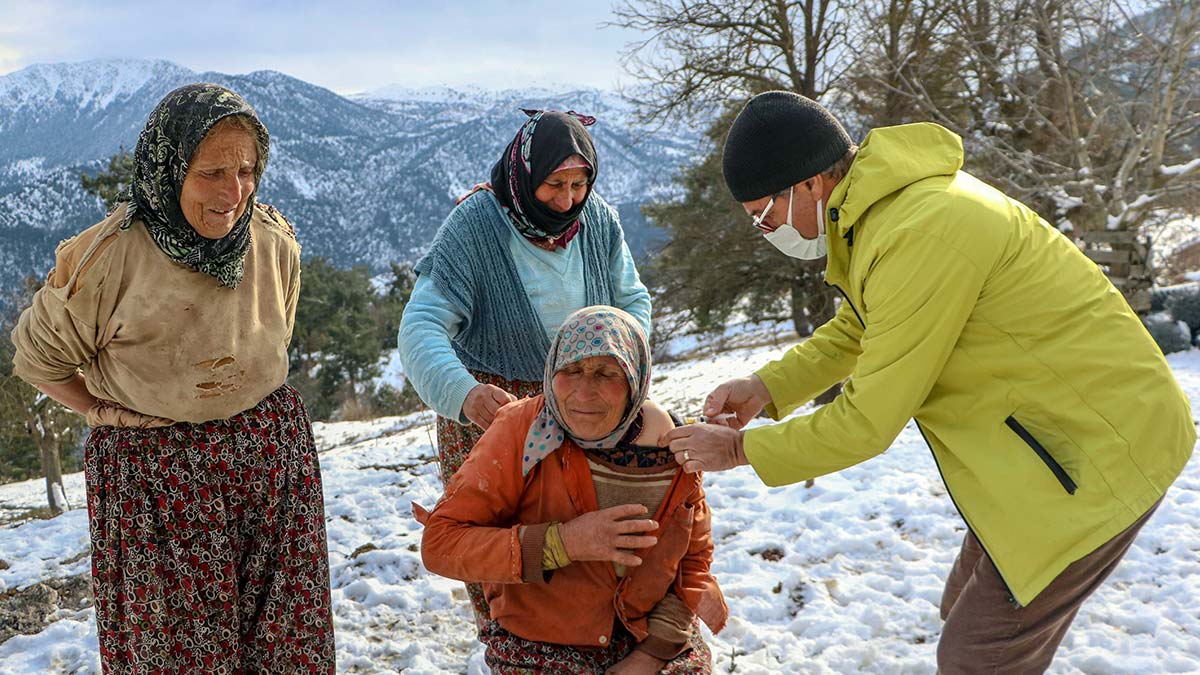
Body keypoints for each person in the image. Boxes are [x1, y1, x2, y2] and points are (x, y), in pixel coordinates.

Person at [661, 91, 1194, 674]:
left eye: (764, 214)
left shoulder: (922, 231)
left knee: (978, 656)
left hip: (1100, 449)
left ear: (809, 184)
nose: (765, 230)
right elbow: (862, 327)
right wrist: (766, 387)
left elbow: (865, 423)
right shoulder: (882, 217)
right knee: (962, 609)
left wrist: (738, 449)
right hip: (1044, 443)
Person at [10, 83, 334, 672]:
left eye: (246, 171)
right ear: (169, 169)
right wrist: (100, 411)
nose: (233, 193)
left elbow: (274, 330)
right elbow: (38, 360)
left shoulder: (272, 240)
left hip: (270, 459)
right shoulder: (108, 259)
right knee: (178, 653)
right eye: (211, 173)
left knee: (286, 646)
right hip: (158, 476)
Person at [399, 109, 652, 626]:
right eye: (554, 184)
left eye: (579, 184)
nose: (567, 200)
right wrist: (465, 394)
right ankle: (508, 645)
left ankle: (588, 642)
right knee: (502, 555)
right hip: (495, 413)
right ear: (523, 174)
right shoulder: (475, 227)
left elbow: (631, 300)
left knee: (586, 549)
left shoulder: (597, 220)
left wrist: (622, 366)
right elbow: (421, 325)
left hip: (589, 406)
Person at [419, 306, 726, 673]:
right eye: (571, 370)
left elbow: (693, 559)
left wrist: (653, 653)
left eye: (606, 373)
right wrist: (562, 543)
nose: (583, 392)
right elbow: (440, 544)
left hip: (647, 635)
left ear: (635, 379)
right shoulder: (521, 431)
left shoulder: (670, 447)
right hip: (539, 641)